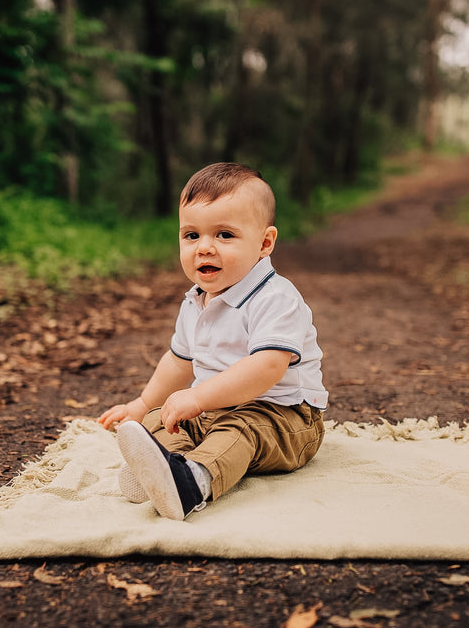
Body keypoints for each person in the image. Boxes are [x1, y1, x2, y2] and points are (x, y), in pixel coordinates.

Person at [98, 162, 328, 521]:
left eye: (224, 235)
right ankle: (162, 469)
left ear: (264, 243)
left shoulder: (275, 298)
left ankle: (193, 483)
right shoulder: (195, 300)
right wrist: (142, 405)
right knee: (163, 419)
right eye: (191, 236)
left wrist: (198, 396)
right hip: (216, 411)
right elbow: (178, 362)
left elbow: (267, 367)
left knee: (240, 430)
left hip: (285, 419)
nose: (204, 248)